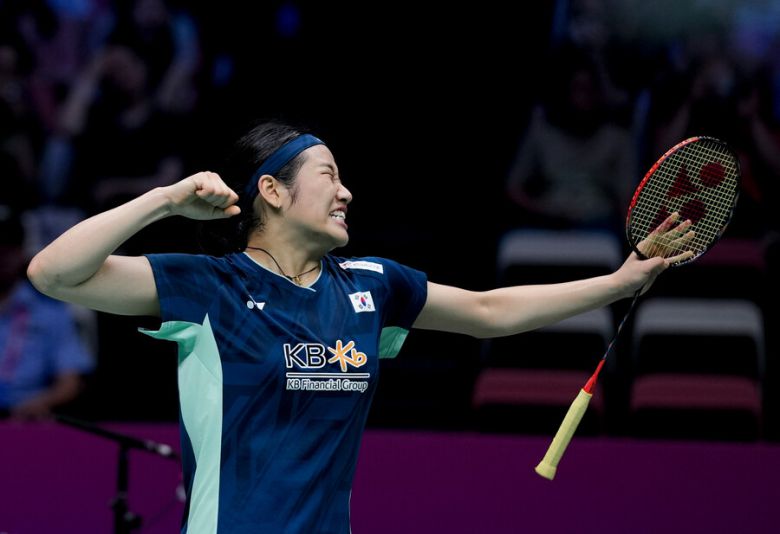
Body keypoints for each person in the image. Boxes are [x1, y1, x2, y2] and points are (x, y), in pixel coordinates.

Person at [26, 119, 693, 533]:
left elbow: (488, 312)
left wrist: (619, 282)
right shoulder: (211, 288)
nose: (346, 191)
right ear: (272, 191)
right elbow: (53, 273)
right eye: (328, 176)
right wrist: (166, 200)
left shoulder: (373, 285)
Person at [0, 206, 94, 420]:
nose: (2, 254)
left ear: (22, 252)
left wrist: (41, 402)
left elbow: (70, 381)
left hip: (25, 420)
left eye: (10, 246)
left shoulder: (51, 311)